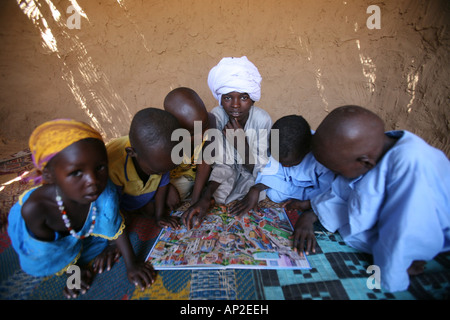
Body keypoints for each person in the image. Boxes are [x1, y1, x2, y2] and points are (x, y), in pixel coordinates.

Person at [294, 105, 450, 292]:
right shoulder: (374, 149)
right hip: (388, 228)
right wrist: (311, 215)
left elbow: (402, 231)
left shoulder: (411, 164)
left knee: (394, 260)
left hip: (420, 235)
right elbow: (343, 191)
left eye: (337, 171)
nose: (336, 175)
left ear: (365, 162)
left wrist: (389, 274)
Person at [7, 119, 156, 299]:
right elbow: (55, 250)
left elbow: (114, 223)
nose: (93, 180)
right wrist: (76, 272)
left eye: (100, 167)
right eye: (76, 172)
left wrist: (132, 265)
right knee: (41, 262)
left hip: (84, 228)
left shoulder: (104, 190)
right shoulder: (36, 210)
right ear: (49, 175)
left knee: (111, 231)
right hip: (51, 244)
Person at [182, 56, 272, 229]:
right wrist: (204, 198)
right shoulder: (217, 115)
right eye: (228, 98)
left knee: (265, 192)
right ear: (220, 99)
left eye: (244, 98)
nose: (235, 105)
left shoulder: (262, 120)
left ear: (253, 99)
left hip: (252, 172)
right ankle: (210, 200)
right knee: (217, 187)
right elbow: (222, 165)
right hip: (225, 171)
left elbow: (258, 169)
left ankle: (214, 198)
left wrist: (241, 143)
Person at [229, 115, 334, 218]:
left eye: (290, 164)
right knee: (274, 194)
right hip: (292, 186)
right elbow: (275, 171)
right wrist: (257, 188)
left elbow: (327, 193)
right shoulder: (280, 144)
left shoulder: (321, 160)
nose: (284, 166)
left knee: (322, 199)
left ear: (307, 150)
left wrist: (307, 204)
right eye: (280, 161)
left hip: (314, 192)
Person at [107, 108, 180, 229]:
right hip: (118, 199)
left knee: (165, 204)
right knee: (121, 223)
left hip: (140, 192)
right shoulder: (113, 165)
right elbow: (111, 204)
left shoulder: (162, 155)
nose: (162, 174)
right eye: (157, 171)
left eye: (166, 170)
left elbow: (163, 182)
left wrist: (159, 215)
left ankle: (143, 207)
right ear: (132, 153)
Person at [163, 87, 216, 209]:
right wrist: (167, 186)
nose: (201, 135)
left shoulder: (211, 121)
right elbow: (156, 169)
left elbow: (205, 162)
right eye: (192, 134)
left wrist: (195, 201)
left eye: (204, 126)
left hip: (188, 177)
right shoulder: (165, 134)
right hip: (166, 178)